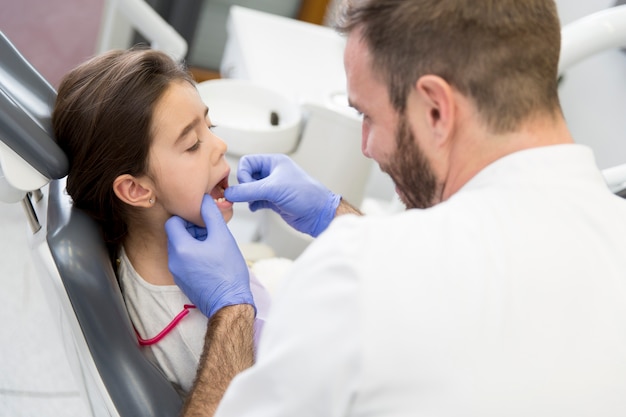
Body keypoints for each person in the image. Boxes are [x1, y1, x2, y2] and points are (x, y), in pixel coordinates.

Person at [166, 0, 626, 415]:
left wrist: (231, 314)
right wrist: (333, 215)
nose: (367, 146)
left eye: (368, 115)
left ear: (436, 110)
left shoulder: (356, 273)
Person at [51, 48, 272, 395]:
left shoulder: (141, 251)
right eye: (193, 144)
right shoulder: (188, 333)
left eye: (210, 126)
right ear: (136, 189)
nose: (220, 145)